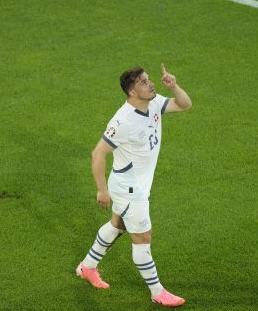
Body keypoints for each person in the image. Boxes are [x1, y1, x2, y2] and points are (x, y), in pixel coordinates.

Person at [76, 64, 192, 307]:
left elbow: (184, 105)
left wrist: (174, 86)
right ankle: (157, 291)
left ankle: (87, 267)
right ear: (131, 92)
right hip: (129, 189)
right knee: (142, 237)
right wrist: (101, 190)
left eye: (149, 80)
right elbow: (97, 154)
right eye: (143, 82)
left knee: (117, 226)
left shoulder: (153, 101)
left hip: (137, 185)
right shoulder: (122, 121)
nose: (151, 84)